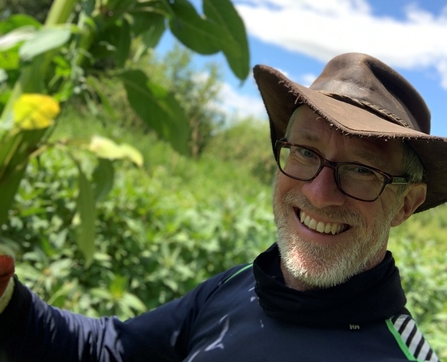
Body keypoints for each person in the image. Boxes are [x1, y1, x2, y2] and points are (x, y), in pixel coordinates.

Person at [0, 52, 445, 361]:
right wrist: (6, 300)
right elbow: (109, 350)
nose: (318, 193)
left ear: (406, 204)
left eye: (362, 170)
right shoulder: (237, 285)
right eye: (305, 152)